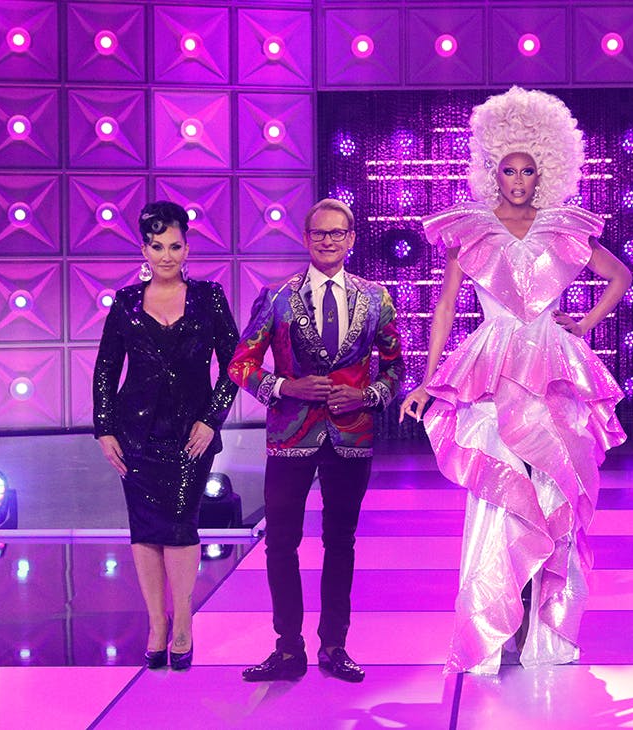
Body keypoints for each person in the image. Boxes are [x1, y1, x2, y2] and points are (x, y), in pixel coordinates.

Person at [399, 87, 630, 675]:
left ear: (543, 171)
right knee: (499, 496)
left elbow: (620, 275)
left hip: (553, 365)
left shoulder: (563, 227)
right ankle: (494, 631)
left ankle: (545, 636)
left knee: (554, 493)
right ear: (492, 171)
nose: (519, 179)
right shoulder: (469, 230)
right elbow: (446, 307)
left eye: (529, 170)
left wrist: (584, 323)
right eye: (509, 169)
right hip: (489, 368)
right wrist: (428, 381)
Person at [230, 198, 404, 683]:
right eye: (319, 233)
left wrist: (367, 396)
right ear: (306, 239)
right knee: (280, 543)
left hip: (351, 436)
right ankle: (288, 649)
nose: (328, 240)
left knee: (340, 542)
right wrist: (286, 387)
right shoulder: (276, 297)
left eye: (337, 232)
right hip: (290, 435)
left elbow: (395, 367)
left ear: (351, 240)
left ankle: (334, 646)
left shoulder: (377, 298)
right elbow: (240, 364)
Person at [93, 200, 240, 671]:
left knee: (180, 525)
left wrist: (211, 420)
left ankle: (183, 625)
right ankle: (157, 624)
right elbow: (105, 371)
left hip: (191, 435)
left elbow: (236, 365)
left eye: (175, 245)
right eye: (157, 246)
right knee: (145, 530)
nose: (166, 255)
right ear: (144, 249)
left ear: (187, 247)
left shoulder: (209, 298)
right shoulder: (126, 303)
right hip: (134, 434)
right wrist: (104, 429)